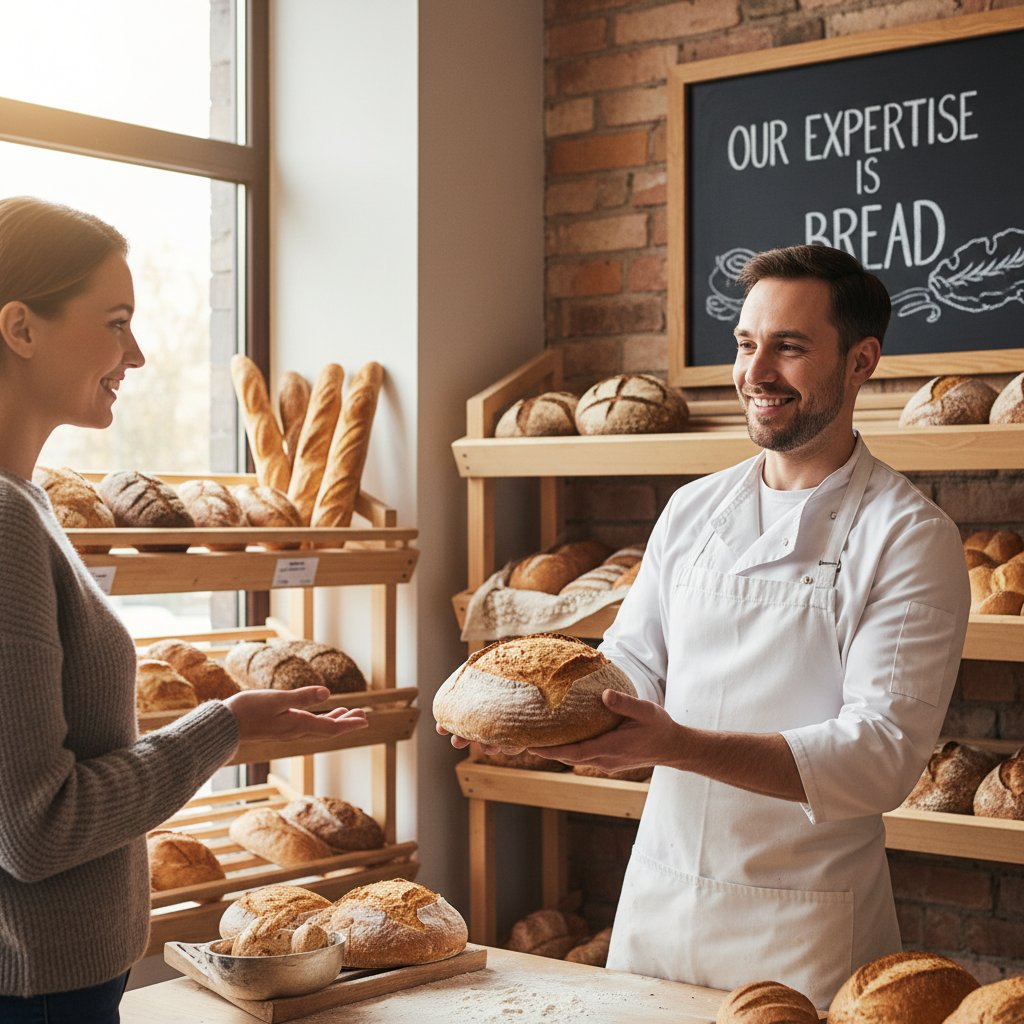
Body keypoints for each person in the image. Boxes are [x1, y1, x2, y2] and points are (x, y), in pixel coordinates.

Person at [439, 244, 970, 1009]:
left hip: (804, 935)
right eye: (747, 344)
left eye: (789, 347)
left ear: (861, 361)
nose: (757, 372)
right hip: (658, 908)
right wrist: (548, 724)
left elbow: (878, 759)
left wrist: (672, 744)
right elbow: (630, 665)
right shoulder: (694, 509)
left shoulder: (910, 536)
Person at [0, 196, 369, 1023]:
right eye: (115, 322)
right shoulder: (3, 522)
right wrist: (223, 726)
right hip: (35, 993)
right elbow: (36, 828)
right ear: (20, 328)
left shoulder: (28, 506)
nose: (135, 352)